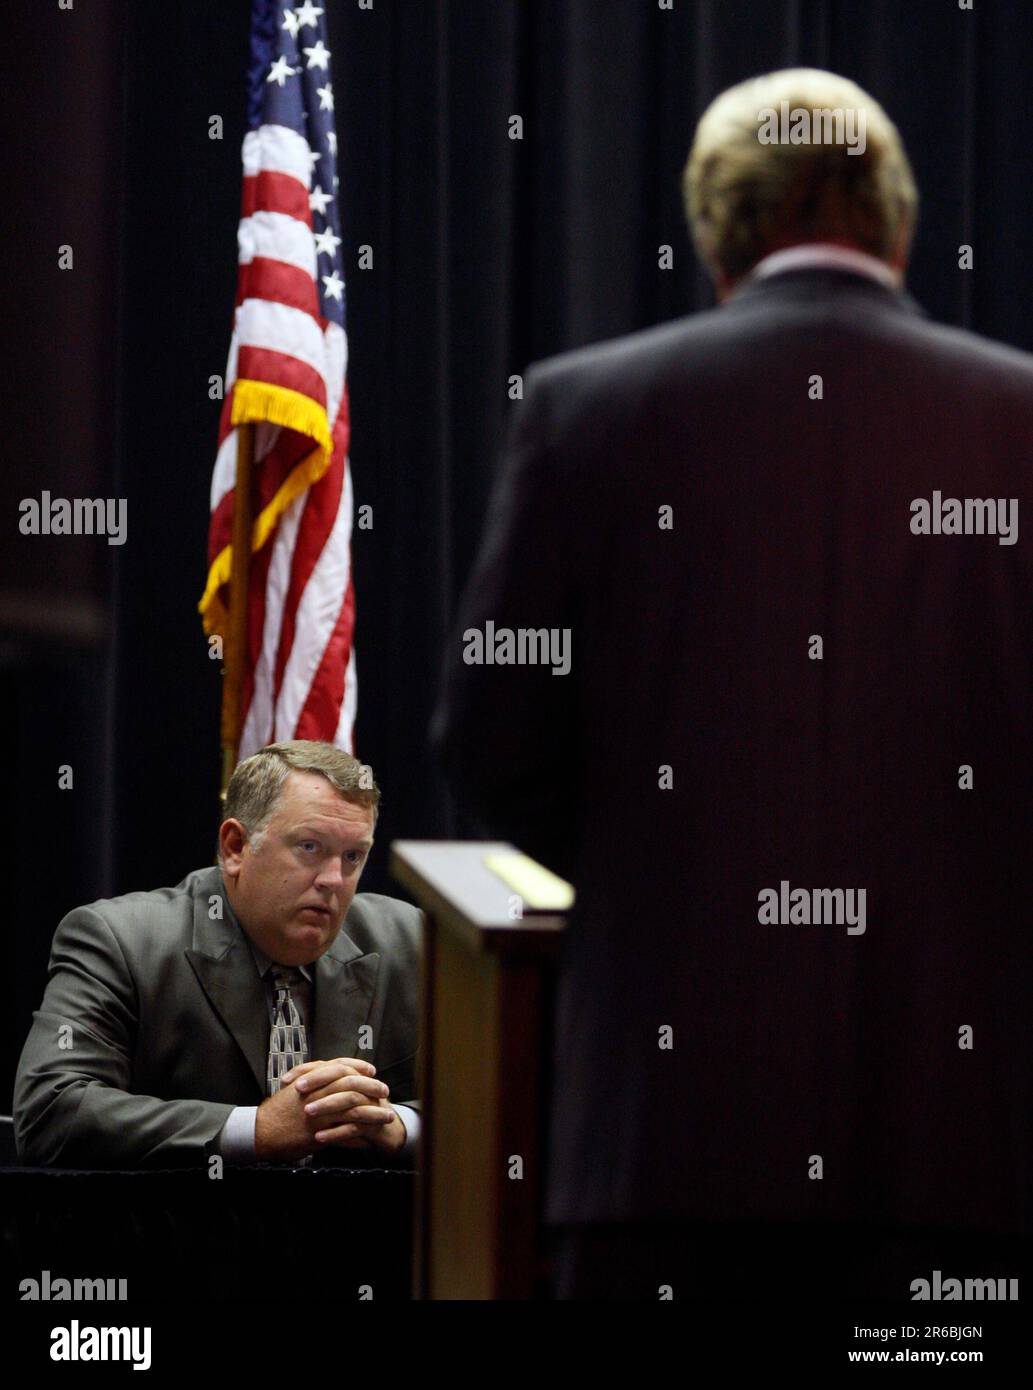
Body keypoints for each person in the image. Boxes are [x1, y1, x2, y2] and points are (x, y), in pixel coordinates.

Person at [432, 68, 1033, 1297]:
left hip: (665, 1147)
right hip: (966, 1158)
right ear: (900, 222)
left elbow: (490, 731)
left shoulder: (583, 412)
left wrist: (669, 872)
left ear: (717, 231)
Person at [14, 740, 421, 1169]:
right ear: (235, 847)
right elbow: (50, 1110)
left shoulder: (406, 940)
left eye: (353, 856)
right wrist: (255, 1130)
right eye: (309, 848)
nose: (334, 880)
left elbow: (489, 1101)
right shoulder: (123, 941)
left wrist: (398, 1125)